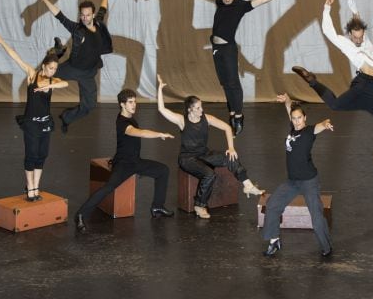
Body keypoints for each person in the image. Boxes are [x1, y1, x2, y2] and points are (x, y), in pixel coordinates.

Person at [292, 0, 373, 176]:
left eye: (360, 36)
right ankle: (311, 81)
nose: (358, 40)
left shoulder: (365, 39)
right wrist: (327, 7)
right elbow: (328, 31)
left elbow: (356, 16)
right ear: (349, 35)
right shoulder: (346, 43)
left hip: (369, 91)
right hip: (362, 84)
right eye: (354, 37)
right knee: (335, 105)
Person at [156, 75, 264, 219]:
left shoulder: (207, 119)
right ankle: (199, 205)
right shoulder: (182, 121)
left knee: (229, 157)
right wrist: (159, 89)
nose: (201, 110)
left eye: (201, 107)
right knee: (209, 174)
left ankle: (248, 185)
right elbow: (162, 109)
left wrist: (231, 148)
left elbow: (226, 127)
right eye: (198, 108)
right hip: (187, 158)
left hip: (203, 154)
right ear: (190, 110)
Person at [75, 89, 175, 232]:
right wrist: (159, 134)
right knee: (108, 187)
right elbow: (140, 133)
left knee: (163, 170)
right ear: (122, 104)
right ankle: (80, 214)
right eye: (130, 102)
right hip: (123, 164)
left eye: (135, 101)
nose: (134, 105)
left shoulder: (130, 118)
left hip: (136, 162)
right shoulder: (123, 123)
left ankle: (157, 206)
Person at [204, 0, 293, 135]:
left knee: (233, 83)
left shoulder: (240, 6)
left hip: (228, 49)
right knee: (225, 83)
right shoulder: (220, 2)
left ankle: (238, 116)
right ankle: (232, 111)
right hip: (216, 48)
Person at [0, 33, 68, 201]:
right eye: (50, 69)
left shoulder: (52, 80)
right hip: (31, 125)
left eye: (55, 69)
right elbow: (15, 57)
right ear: (44, 67)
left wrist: (49, 85)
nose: (52, 71)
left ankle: (36, 186)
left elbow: (65, 83)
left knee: (42, 155)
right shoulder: (32, 75)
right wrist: (2, 41)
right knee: (31, 155)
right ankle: (30, 188)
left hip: (45, 124)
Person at [262, 94, 334, 257]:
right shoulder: (293, 128)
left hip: (309, 181)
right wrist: (287, 100)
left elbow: (322, 124)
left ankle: (327, 247)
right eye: (294, 118)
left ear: (305, 118)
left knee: (316, 218)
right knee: (272, 205)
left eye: (299, 118)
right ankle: (274, 241)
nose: (296, 121)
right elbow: (290, 110)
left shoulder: (309, 131)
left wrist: (326, 124)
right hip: (293, 181)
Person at [39, 0, 114, 133]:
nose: (85, 18)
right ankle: (37, 117)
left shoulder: (98, 24)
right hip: (72, 68)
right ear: (80, 15)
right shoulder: (77, 29)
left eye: (88, 15)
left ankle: (66, 117)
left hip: (88, 73)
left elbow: (103, 9)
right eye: (82, 15)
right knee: (41, 79)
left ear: (93, 15)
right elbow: (60, 16)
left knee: (89, 106)